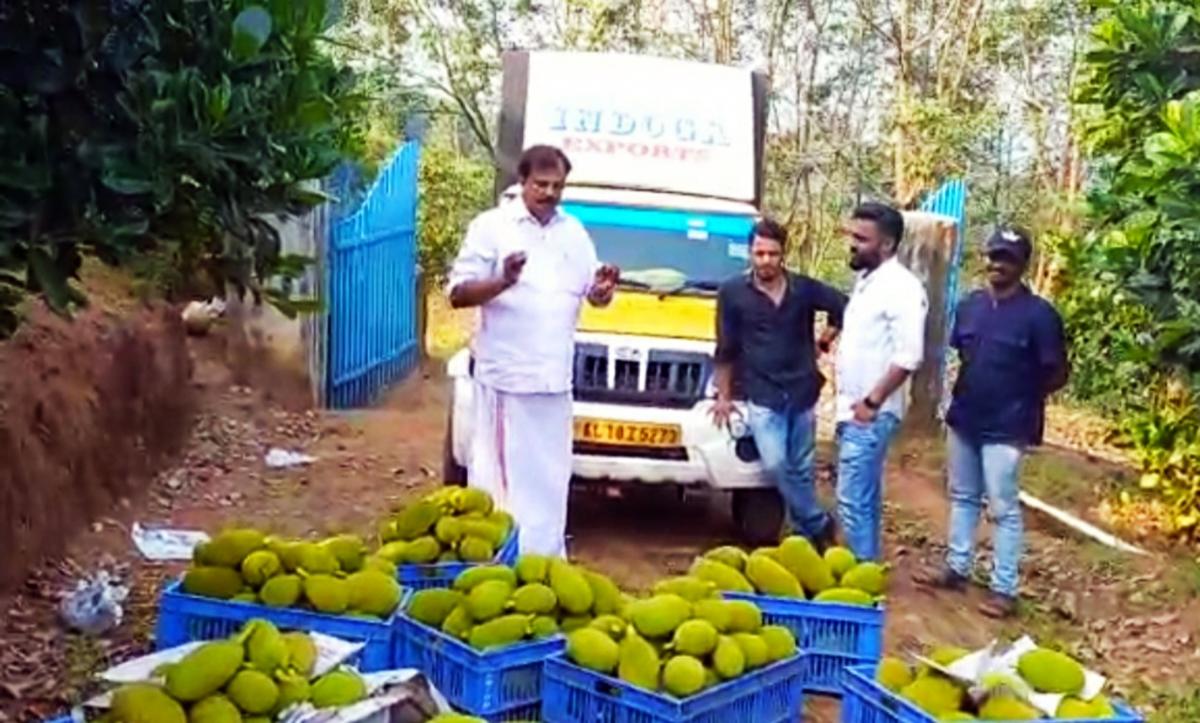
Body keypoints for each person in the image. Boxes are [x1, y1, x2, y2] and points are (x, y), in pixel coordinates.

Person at [446, 145, 620, 557]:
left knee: (549, 480)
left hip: (553, 380)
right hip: (507, 379)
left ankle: (545, 563)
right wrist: (503, 281)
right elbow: (458, 293)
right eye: (540, 184)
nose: (549, 193)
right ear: (522, 182)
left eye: (557, 186)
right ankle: (501, 565)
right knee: (503, 484)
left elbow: (591, 295)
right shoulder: (492, 227)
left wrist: (602, 290)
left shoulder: (573, 232)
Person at [915, 226, 1068, 618]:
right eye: (993, 256)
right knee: (963, 496)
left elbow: (1057, 372)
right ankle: (957, 567)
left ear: (1022, 265)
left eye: (1008, 258)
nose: (997, 264)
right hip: (966, 416)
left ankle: (1004, 588)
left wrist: (1023, 399)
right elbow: (960, 355)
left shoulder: (1040, 316)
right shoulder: (971, 306)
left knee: (1002, 507)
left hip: (1009, 424)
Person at [711, 217, 846, 547]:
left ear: (783, 254)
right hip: (762, 393)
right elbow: (725, 348)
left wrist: (825, 340)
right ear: (750, 254)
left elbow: (842, 306)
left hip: (802, 390)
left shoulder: (803, 289)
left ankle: (804, 538)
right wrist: (724, 396)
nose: (766, 261)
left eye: (772, 253)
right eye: (759, 254)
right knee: (775, 463)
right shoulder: (732, 293)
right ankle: (818, 522)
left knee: (800, 468)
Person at [835, 202, 928, 562]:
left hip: (871, 412)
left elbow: (909, 355)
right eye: (852, 236)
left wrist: (872, 402)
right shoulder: (866, 282)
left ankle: (859, 585)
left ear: (887, 245)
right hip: (855, 409)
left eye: (861, 238)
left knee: (850, 498)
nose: (853, 244)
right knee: (865, 498)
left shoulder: (901, 288)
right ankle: (867, 569)